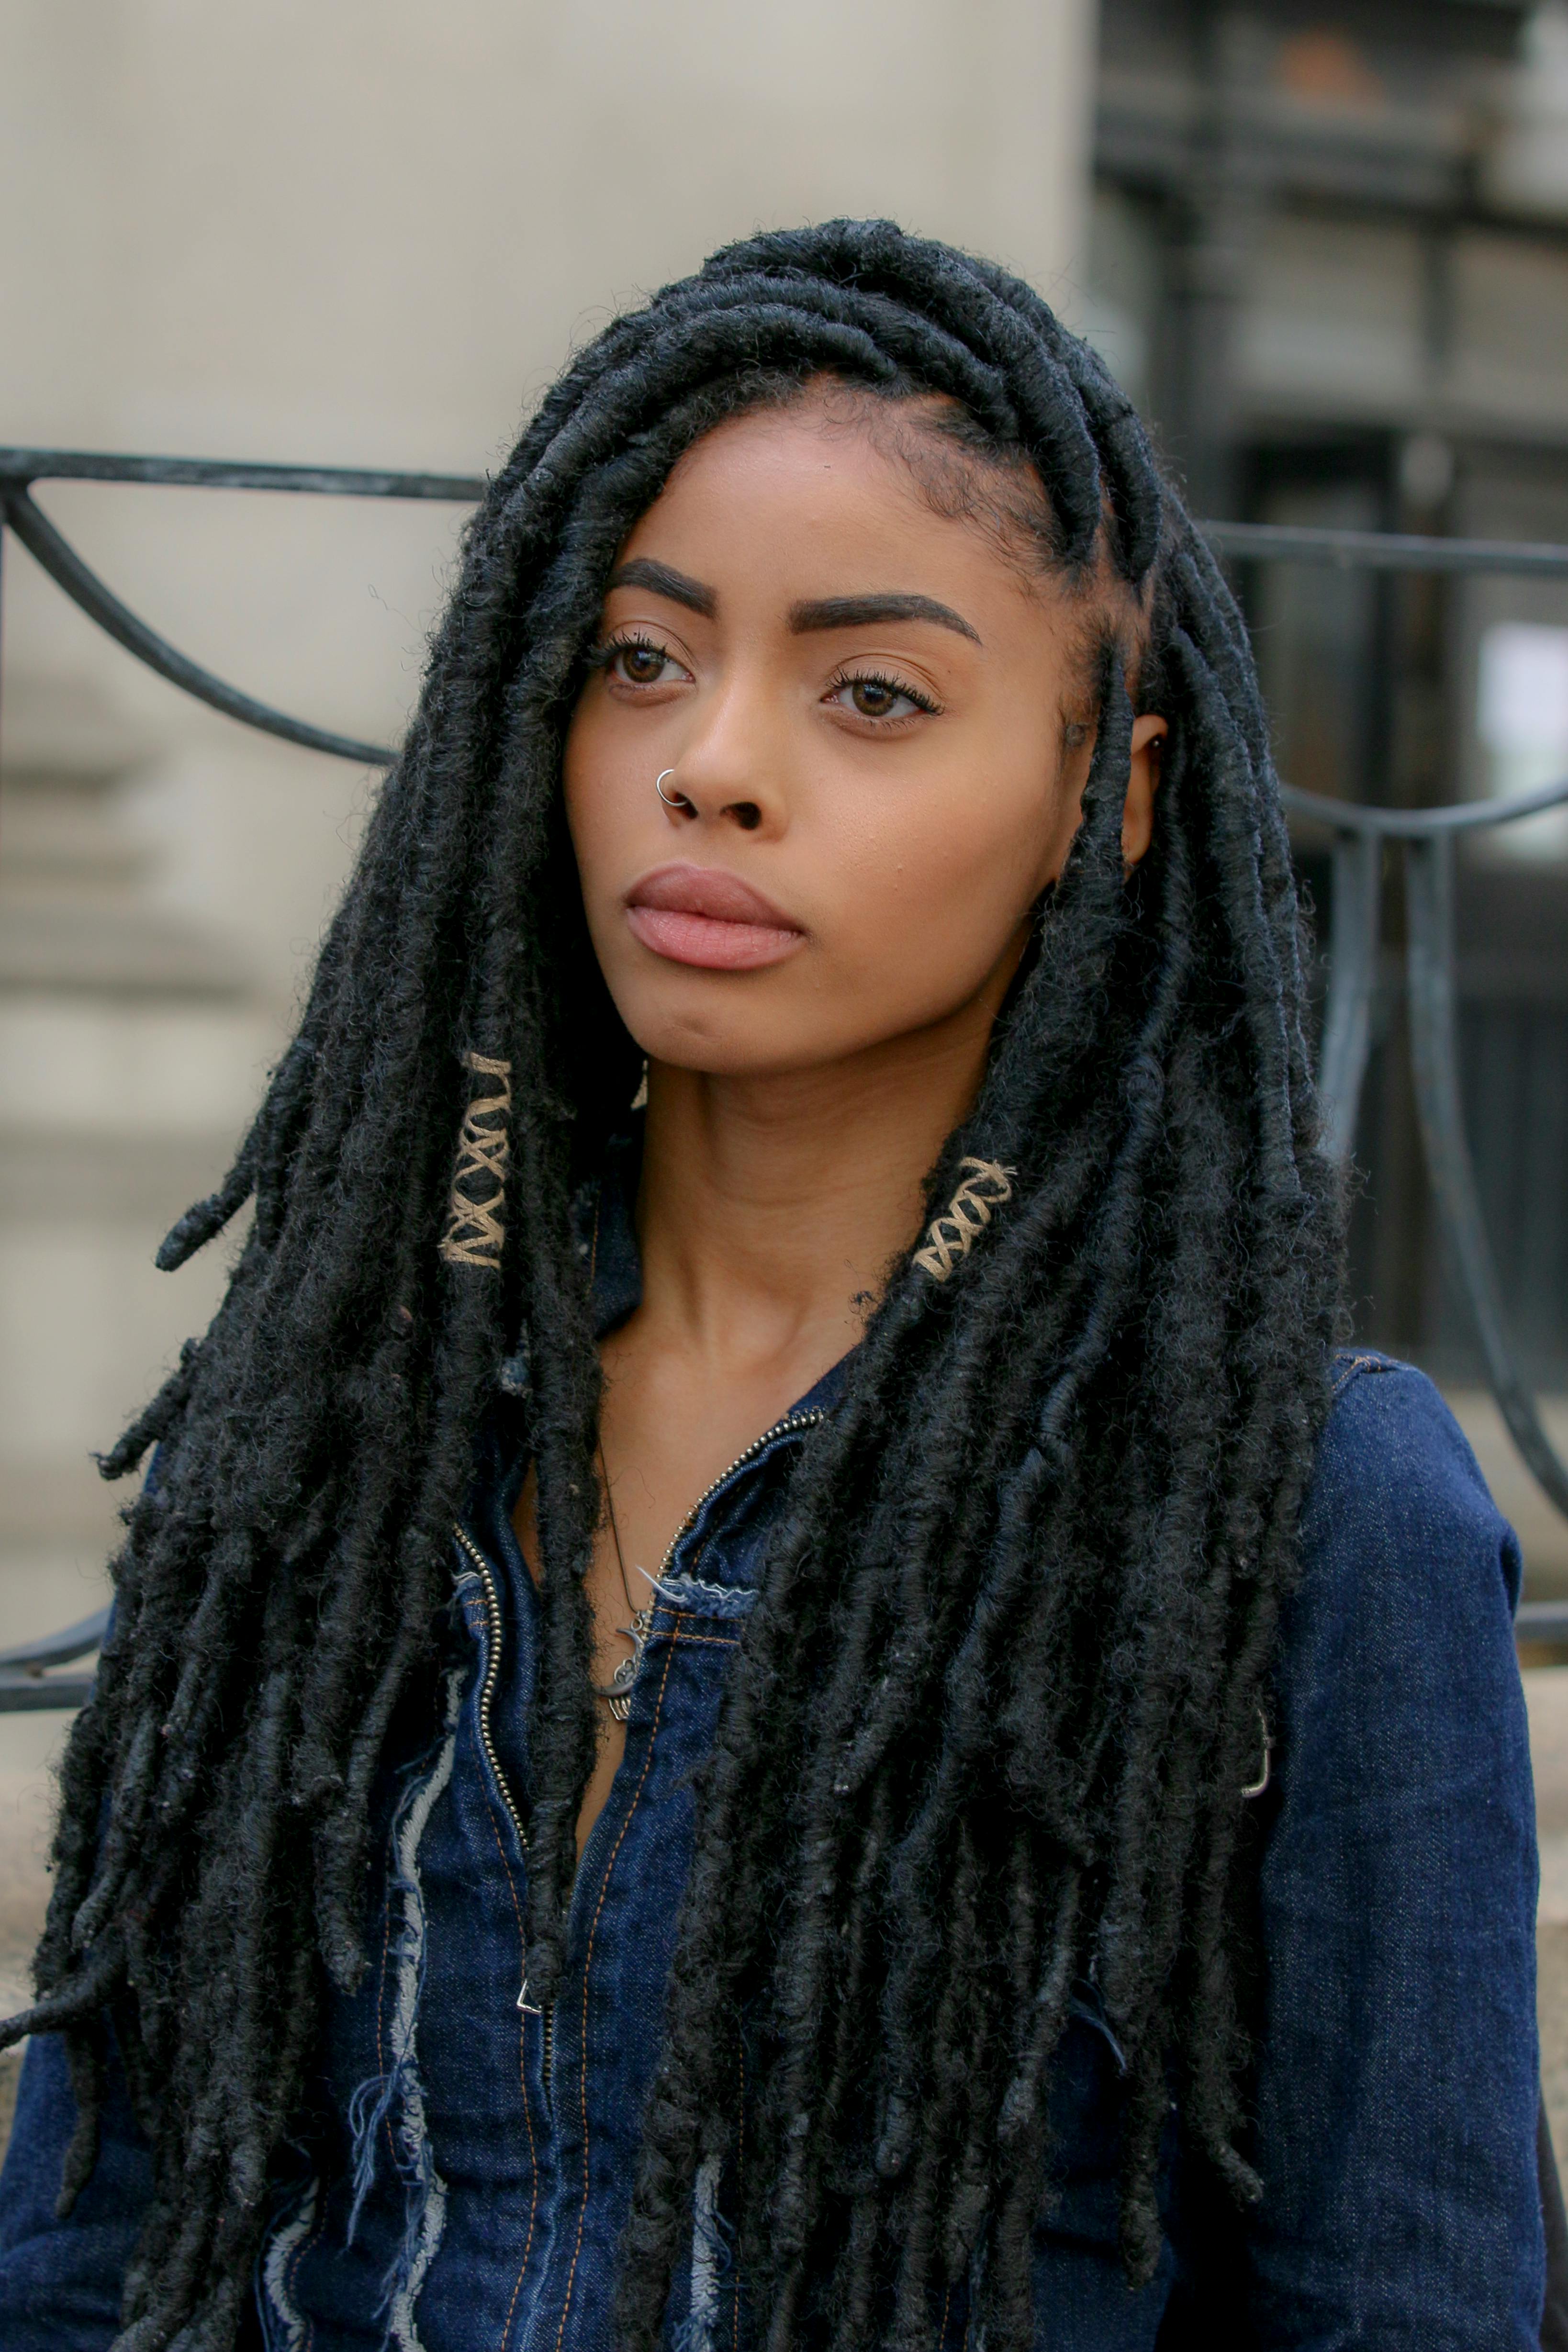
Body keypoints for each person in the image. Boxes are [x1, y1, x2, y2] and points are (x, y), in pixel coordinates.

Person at [0, 222, 1542, 2352]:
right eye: (643, 657)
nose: (710, 761)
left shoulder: (1303, 1504)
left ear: (1114, 799)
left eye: (875, 691)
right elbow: (92, 2241)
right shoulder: (342, 1414)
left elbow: (1410, 2299)